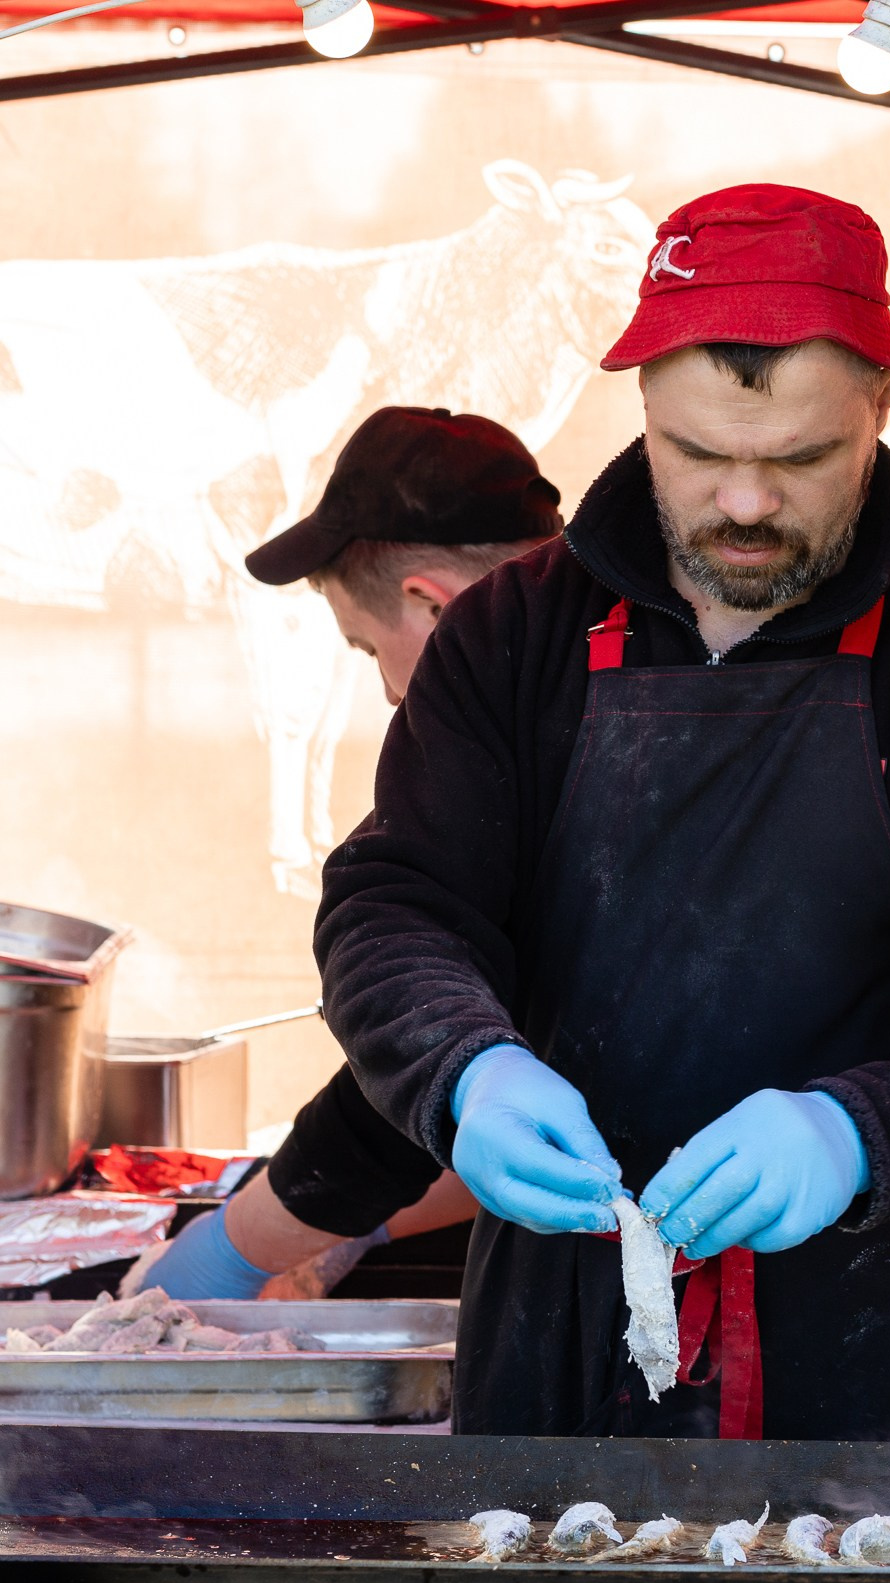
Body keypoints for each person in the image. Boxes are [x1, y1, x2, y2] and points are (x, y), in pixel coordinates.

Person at [315, 184, 890, 1441]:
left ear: (881, 405)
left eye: (801, 460)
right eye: (699, 456)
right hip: (566, 1340)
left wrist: (858, 1134)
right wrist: (465, 1068)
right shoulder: (512, 638)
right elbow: (395, 907)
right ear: (642, 406)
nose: (747, 504)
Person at [136, 407, 562, 1300]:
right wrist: (357, 1225)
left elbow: (420, 1057)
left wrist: (236, 1246)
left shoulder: (540, 752)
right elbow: (507, 1086)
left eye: (369, 647)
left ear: (433, 603)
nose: (390, 690)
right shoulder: (595, 682)